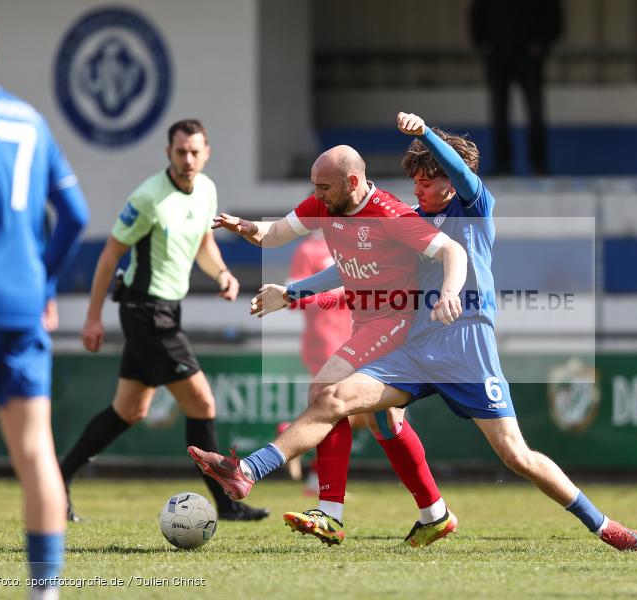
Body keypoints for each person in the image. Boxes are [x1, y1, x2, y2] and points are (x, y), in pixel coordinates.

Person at [190, 112, 637, 552]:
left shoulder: (475, 205)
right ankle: (251, 470)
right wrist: (294, 292)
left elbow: (459, 233)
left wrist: (427, 133)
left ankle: (603, 525)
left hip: (467, 349)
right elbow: (352, 271)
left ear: (452, 181)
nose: (419, 189)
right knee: (334, 398)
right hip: (413, 346)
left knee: (516, 455)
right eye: (414, 180)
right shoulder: (407, 218)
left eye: (428, 181)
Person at [200, 145, 467, 546]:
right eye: (314, 187)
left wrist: (449, 293)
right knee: (385, 422)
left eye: (324, 187)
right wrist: (244, 227)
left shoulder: (390, 213)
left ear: (353, 182)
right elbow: (273, 235)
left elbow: (452, 250)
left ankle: (303, 499)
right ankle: (435, 513)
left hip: (398, 323)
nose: (317, 195)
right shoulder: (326, 204)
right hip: (367, 323)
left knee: (325, 392)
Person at [58, 119, 268, 522]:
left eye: (194, 152)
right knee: (202, 402)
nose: (187, 159)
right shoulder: (149, 198)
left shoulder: (206, 190)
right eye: (180, 152)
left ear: (207, 153)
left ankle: (59, 478)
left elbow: (203, 242)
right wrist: (92, 318)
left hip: (167, 310)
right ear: (168, 154)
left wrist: (221, 272)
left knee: (130, 410)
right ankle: (225, 505)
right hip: (144, 312)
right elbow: (108, 256)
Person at [0, 6, 89, 597]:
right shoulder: (29, 118)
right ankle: (43, 592)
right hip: (21, 301)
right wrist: (44, 285)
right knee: (35, 451)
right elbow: (74, 214)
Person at [281, 230, 353, 487]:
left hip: (355, 337)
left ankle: (292, 432)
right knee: (340, 408)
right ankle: (318, 481)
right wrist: (339, 293)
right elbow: (291, 299)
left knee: (360, 412)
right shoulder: (308, 251)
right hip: (324, 340)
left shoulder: (354, 243)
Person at [469, 0, 562, 175]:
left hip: (529, 57)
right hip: (498, 55)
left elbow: (554, 15)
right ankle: (503, 165)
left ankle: (539, 165)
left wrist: (540, 45)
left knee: (535, 112)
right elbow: (477, 13)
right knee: (499, 112)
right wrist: (484, 44)